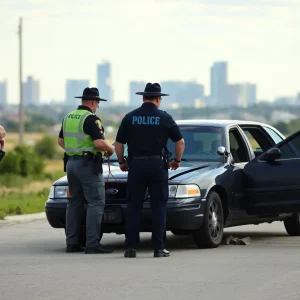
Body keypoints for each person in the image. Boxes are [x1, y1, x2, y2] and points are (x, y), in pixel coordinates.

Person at [115, 82, 185, 258]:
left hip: (136, 166)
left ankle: (131, 248)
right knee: (158, 206)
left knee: (133, 206)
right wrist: (177, 160)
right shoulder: (164, 117)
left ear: (143, 97)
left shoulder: (130, 117)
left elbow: (118, 144)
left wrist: (122, 162)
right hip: (157, 166)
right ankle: (159, 248)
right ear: (158, 99)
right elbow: (180, 142)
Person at [58, 87, 115, 254]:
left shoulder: (68, 117)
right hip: (87, 164)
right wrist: (110, 149)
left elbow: (61, 141)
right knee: (96, 202)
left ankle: (72, 243)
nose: (97, 105)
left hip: (71, 164)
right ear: (92, 101)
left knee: (74, 202)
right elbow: (98, 144)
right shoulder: (91, 119)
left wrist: (74, 150)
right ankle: (92, 244)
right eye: (97, 102)